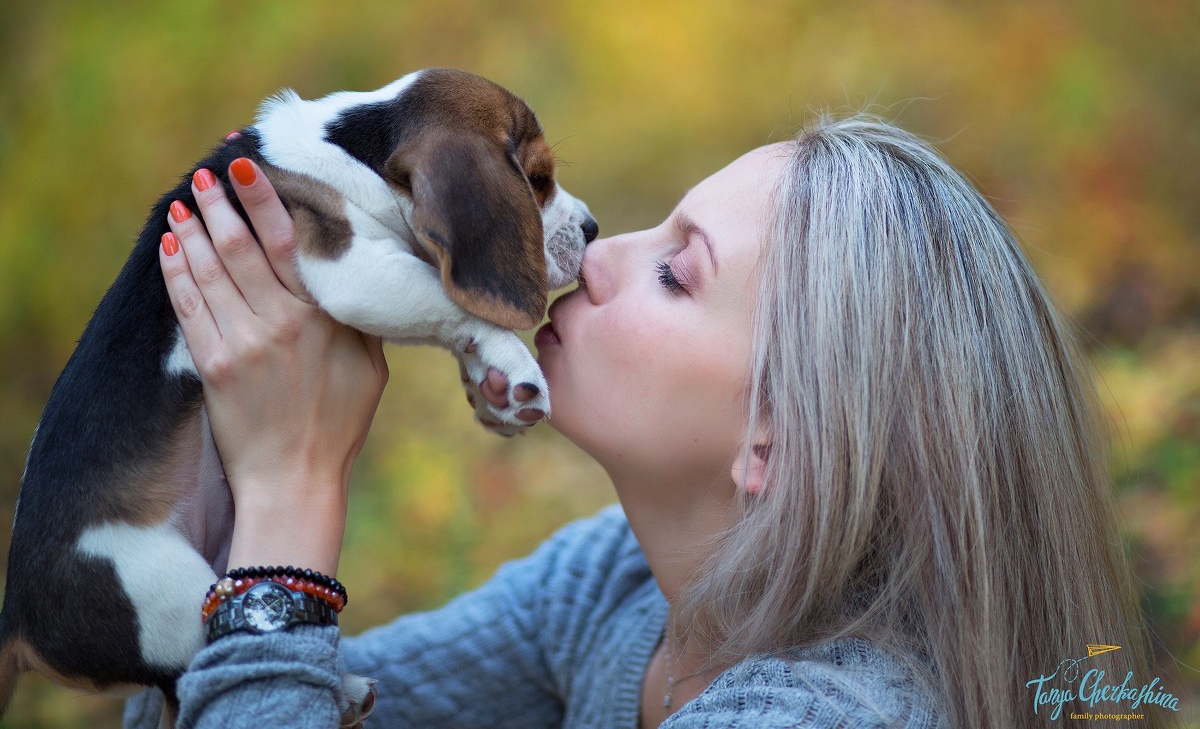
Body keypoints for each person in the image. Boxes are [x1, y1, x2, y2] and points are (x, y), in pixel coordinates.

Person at [124, 116, 1161, 729]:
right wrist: (229, 446)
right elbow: (206, 704)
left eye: (676, 271)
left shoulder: (834, 714)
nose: (602, 250)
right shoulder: (623, 587)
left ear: (779, 438)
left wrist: (290, 492)